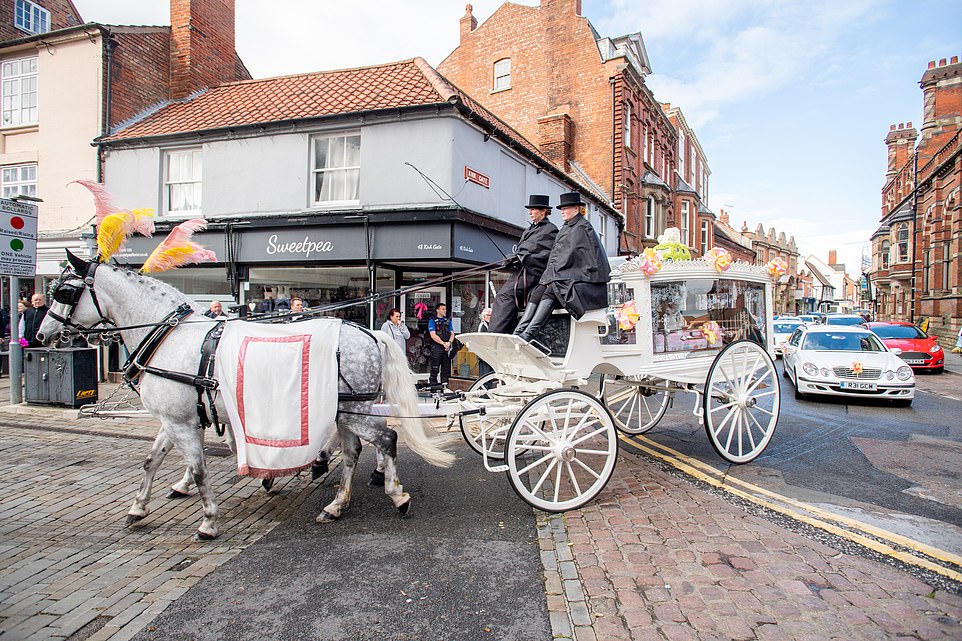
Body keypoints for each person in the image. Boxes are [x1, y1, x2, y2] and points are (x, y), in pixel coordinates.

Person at [514, 192, 610, 344]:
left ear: (577, 209)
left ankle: (529, 333)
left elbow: (576, 260)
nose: (562, 212)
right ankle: (519, 331)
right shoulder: (568, 227)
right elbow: (557, 258)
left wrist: (553, 278)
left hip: (584, 280)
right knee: (538, 291)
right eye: (562, 209)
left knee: (553, 289)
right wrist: (546, 279)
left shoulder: (582, 228)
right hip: (565, 276)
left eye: (566, 208)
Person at [488, 195, 558, 334]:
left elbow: (546, 256)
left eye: (533, 209)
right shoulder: (528, 230)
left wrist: (524, 258)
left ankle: (496, 334)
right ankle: (503, 331)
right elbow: (521, 251)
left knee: (504, 296)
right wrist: (511, 260)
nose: (530, 212)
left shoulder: (551, 230)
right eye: (530, 210)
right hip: (519, 273)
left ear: (543, 211)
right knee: (501, 297)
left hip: (532, 275)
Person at [428, 303, 454, 389]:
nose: (445, 311)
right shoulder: (432, 320)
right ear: (437, 310)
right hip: (437, 347)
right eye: (443, 309)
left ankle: (445, 388)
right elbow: (433, 335)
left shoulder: (448, 320)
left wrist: (449, 343)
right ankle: (433, 388)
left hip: (447, 347)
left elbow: (452, 333)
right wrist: (443, 343)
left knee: (446, 369)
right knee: (435, 369)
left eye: (445, 309)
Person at [477, 307, 493, 377]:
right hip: (484, 353)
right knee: (484, 373)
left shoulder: (491, 325)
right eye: (489, 315)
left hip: (490, 353)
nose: (491, 317)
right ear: (484, 316)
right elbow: (481, 340)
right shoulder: (482, 325)